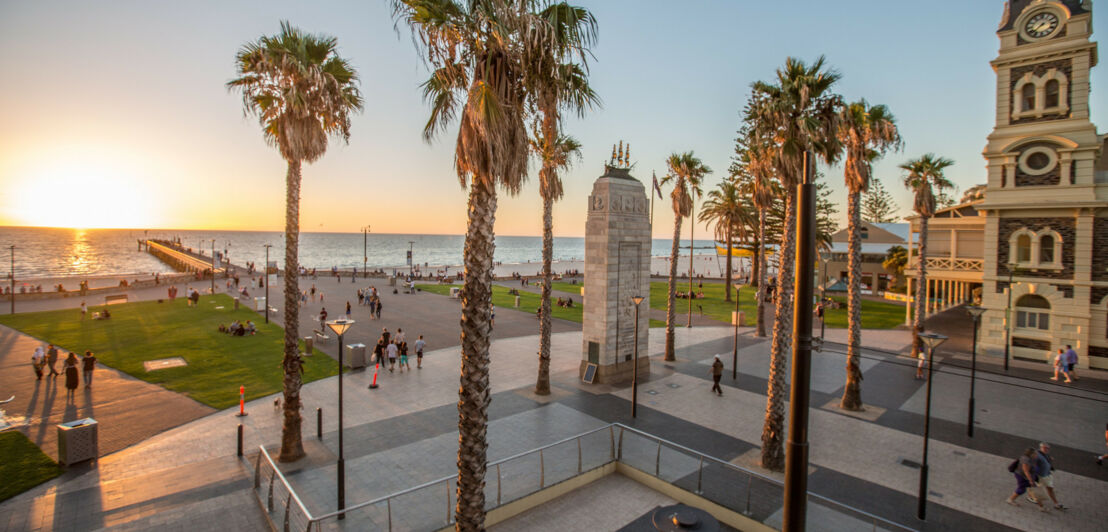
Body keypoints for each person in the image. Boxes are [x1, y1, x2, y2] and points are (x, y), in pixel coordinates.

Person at [1006, 447, 1048, 511]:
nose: (1037, 455)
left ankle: (1041, 506)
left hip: (1029, 476)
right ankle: (1041, 507)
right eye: (1035, 454)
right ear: (1031, 454)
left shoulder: (1032, 458)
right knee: (1027, 490)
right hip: (1023, 477)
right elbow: (1026, 471)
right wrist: (1031, 480)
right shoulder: (1026, 460)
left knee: (1031, 490)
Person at [1028, 443, 1066, 510]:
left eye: (1048, 448)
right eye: (1045, 448)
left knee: (1050, 489)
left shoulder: (1046, 454)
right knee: (1039, 491)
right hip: (1040, 476)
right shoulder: (1036, 455)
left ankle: (1056, 504)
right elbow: (1031, 464)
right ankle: (1037, 502)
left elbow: (1046, 462)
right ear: (1040, 447)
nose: (1046, 449)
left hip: (1047, 474)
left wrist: (1050, 461)